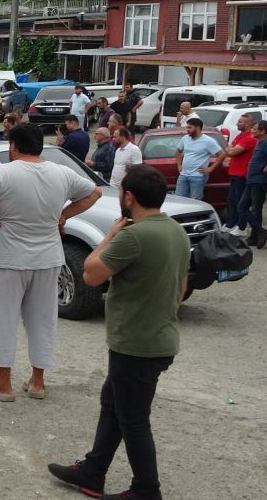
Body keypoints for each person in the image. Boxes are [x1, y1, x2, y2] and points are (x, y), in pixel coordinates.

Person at [48, 164, 189, 500]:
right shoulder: (175, 231)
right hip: (156, 338)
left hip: (137, 344)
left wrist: (110, 234)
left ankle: (146, 490)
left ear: (129, 196)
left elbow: (91, 275)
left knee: (134, 420)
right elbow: (181, 288)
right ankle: (93, 471)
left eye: (122, 191)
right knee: (113, 404)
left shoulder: (133, 235)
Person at [0, 123, 101, 402]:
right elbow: (93, 193)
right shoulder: (61, 173)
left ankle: (4, 385)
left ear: (13, 146)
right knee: (43, 320)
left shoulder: (0, 173)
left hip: (7, 258)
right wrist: (63, 216)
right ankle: (37, 382)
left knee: (2, 319)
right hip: (47, 258)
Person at [237, 121, 267, 248]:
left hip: (260, 182)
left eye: (254, 129)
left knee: (255, 209)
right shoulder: (260, 142)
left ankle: (258, 234)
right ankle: (258, 232)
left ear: (262, 131)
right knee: (242, 207)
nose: (252, 131)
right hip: (252, 180)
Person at [222, 114, 258, 233]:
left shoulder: (250, 138)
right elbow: (228, 148)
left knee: (239, 201)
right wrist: (230, 150)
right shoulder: (240, 135)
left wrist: (230, 151)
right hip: (233, 172)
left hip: (242, 175)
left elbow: (231, 152)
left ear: (247, 124)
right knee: (231, 200)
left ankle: (241, 226)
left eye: (240, 122)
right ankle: (231, 222)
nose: (237, 123)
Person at [173, 118, 224, 200]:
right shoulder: (185, 138)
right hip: (183, 175)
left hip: (198, 176)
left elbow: (221, 154)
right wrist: (179, 165)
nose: (187, 130)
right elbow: (178, 151)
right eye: (187, 127)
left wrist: (210, 168)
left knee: (195, 201)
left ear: (197, 128)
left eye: (189, 128)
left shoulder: (208, 141)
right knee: (179, 199)